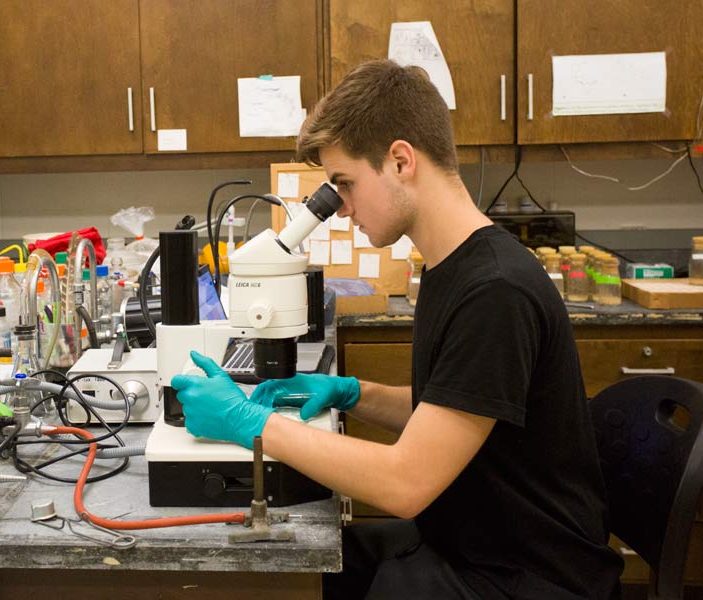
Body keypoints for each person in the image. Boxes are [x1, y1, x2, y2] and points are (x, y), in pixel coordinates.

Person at [170, 59, 623, 600]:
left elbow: (405, 483)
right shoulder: (449, 265)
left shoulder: (496, 291)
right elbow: (455, 410)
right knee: (304, 571)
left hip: (528, 575)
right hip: (471, 540)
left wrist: (249, 422)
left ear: (401, 160)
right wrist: (354, 393)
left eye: (346, 184)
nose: (341, 209)